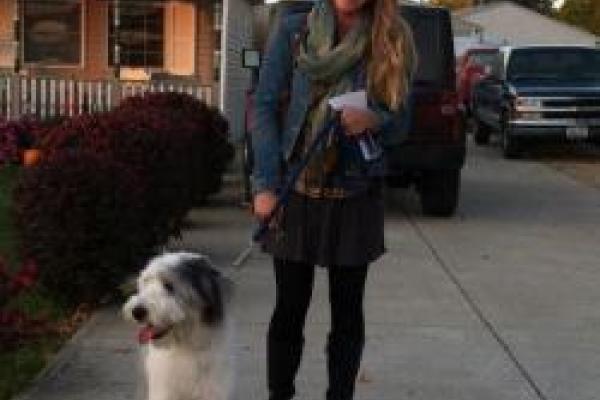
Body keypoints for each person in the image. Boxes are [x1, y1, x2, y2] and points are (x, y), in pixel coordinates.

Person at [251, 0, 417, 398]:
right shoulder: (293, 30)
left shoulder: (393, 36)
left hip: (355, 193)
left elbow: (402, 120)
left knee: (347, 314)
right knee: (289, 310)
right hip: (297, 190)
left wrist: (377, 119)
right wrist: (265, 186)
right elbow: (265, 105)